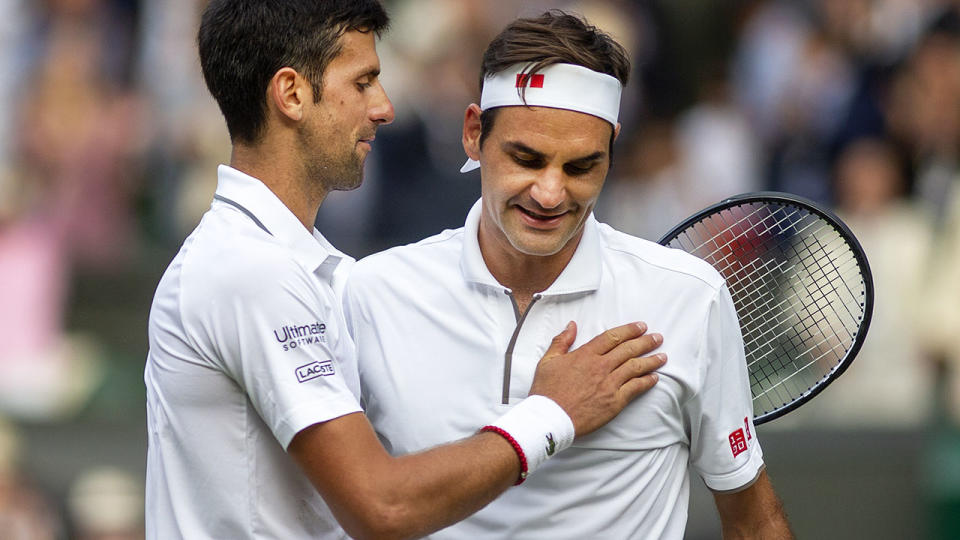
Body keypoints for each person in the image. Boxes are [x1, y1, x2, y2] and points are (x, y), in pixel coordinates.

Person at [143, 2, 665, 539]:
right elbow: (382, 507)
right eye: (364, 81)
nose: (385, 108)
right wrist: (553, 413)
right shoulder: (252, 272)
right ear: (292, 94)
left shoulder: (295, 265)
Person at [344, 11, 794, 539]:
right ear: (473, 133)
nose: (551, 194)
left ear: (612, 150)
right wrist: (552, 416)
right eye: (526, 158)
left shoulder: (690, 298)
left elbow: (754, 521)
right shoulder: (371, 293)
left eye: (581, 166)